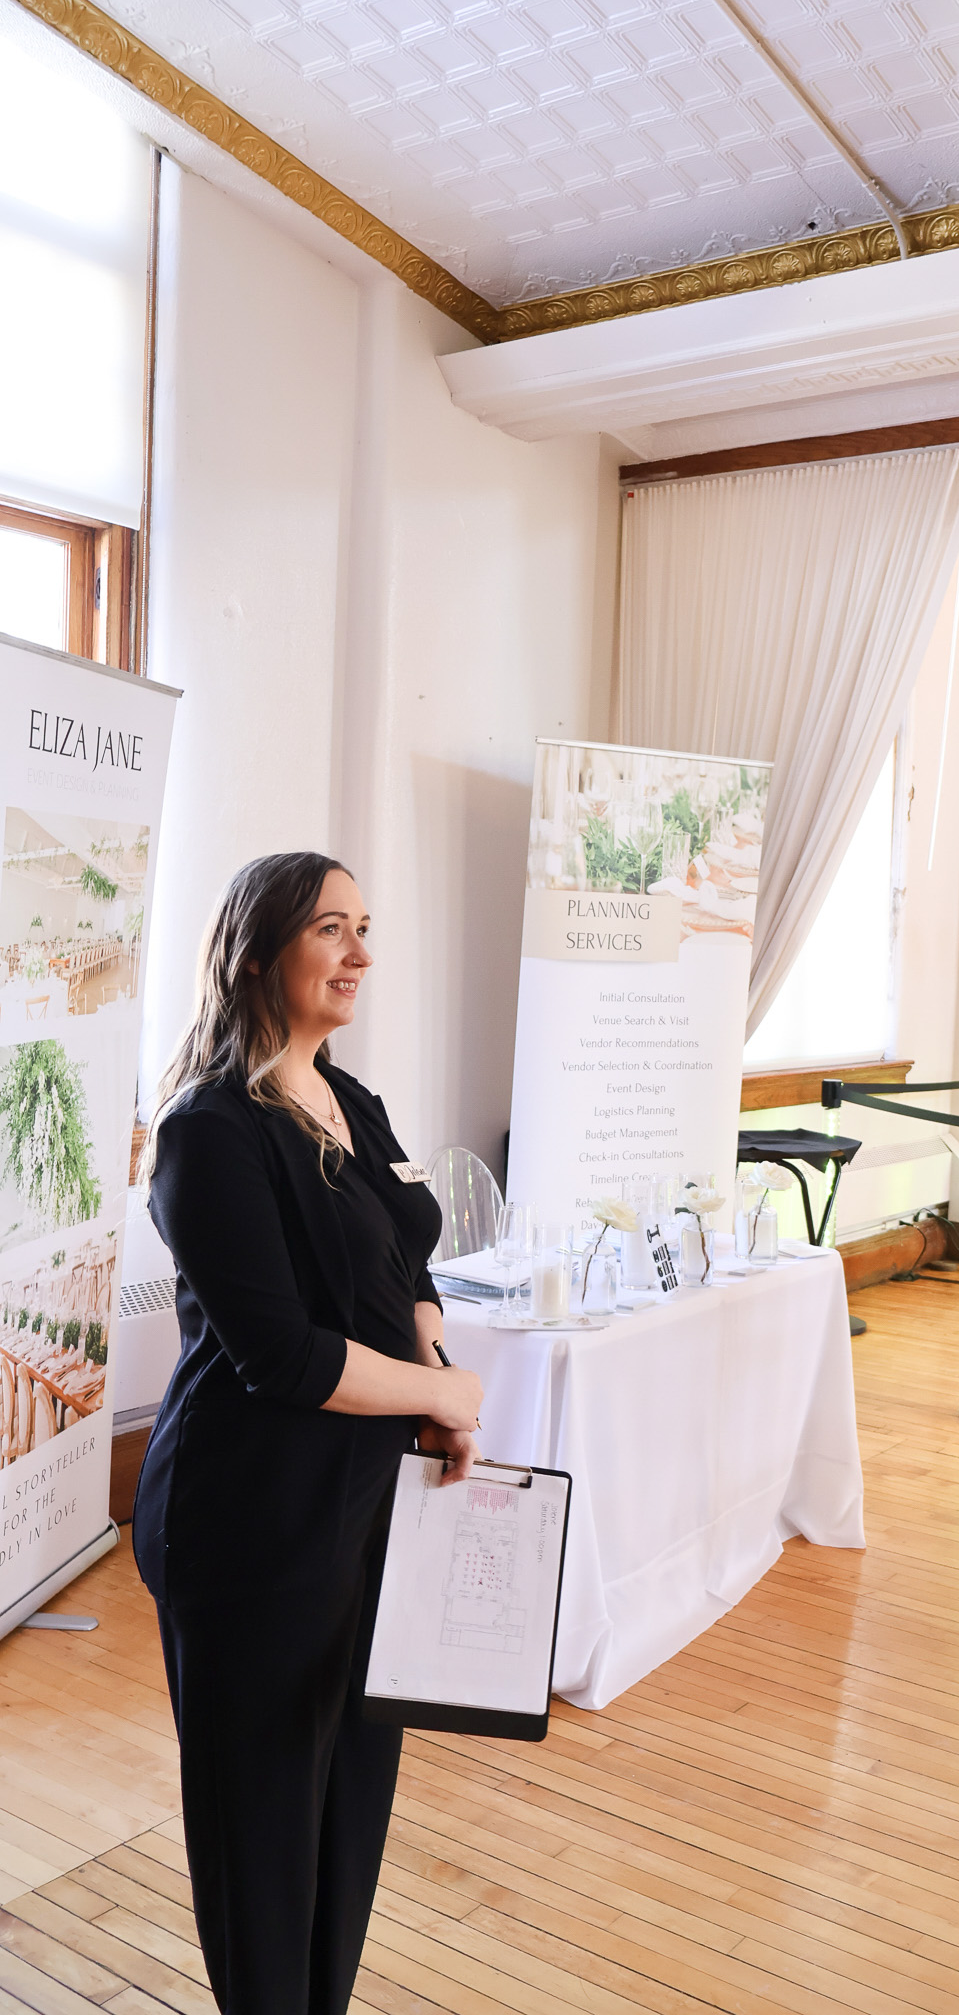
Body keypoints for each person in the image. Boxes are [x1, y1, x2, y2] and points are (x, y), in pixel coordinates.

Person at [133, 851, 484, 2015]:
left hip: (365, 1503)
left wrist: (434, 1362)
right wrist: (434, 1397)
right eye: (333, 928)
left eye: (365, 927)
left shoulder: (352, 1096)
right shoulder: (209, 1132)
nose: (361, 953)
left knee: (348, 1809)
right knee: (264, 1828)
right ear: (258, 947)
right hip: (250, 1521)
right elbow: (280, 1354)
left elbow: (405, 1253)